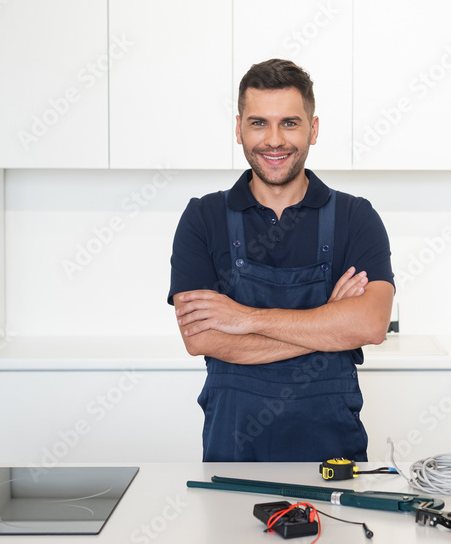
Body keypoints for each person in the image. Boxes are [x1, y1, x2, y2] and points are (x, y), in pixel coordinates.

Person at [168, 59, 396, 462]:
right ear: (238, 129)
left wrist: (246, 319)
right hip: (232, 452)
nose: (274, 140)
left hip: (333, 458)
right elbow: (200, 338)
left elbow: (370, 325)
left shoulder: (355, 217)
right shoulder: (202, 218)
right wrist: (328, 322)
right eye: (258, 123)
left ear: (314, 128)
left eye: (289, 123)